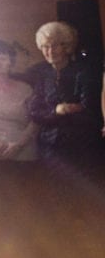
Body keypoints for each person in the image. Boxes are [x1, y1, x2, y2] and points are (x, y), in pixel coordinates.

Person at [26, 21, 102, 173]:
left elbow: (89, 112)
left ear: (67, 47)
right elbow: (34, 112)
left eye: (55, 46)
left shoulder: (83, 73)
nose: (50, 51)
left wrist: (50, 113)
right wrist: (59, 110)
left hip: (81, 146)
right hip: (48, 147)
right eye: (45, 47)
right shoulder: (40, 73)